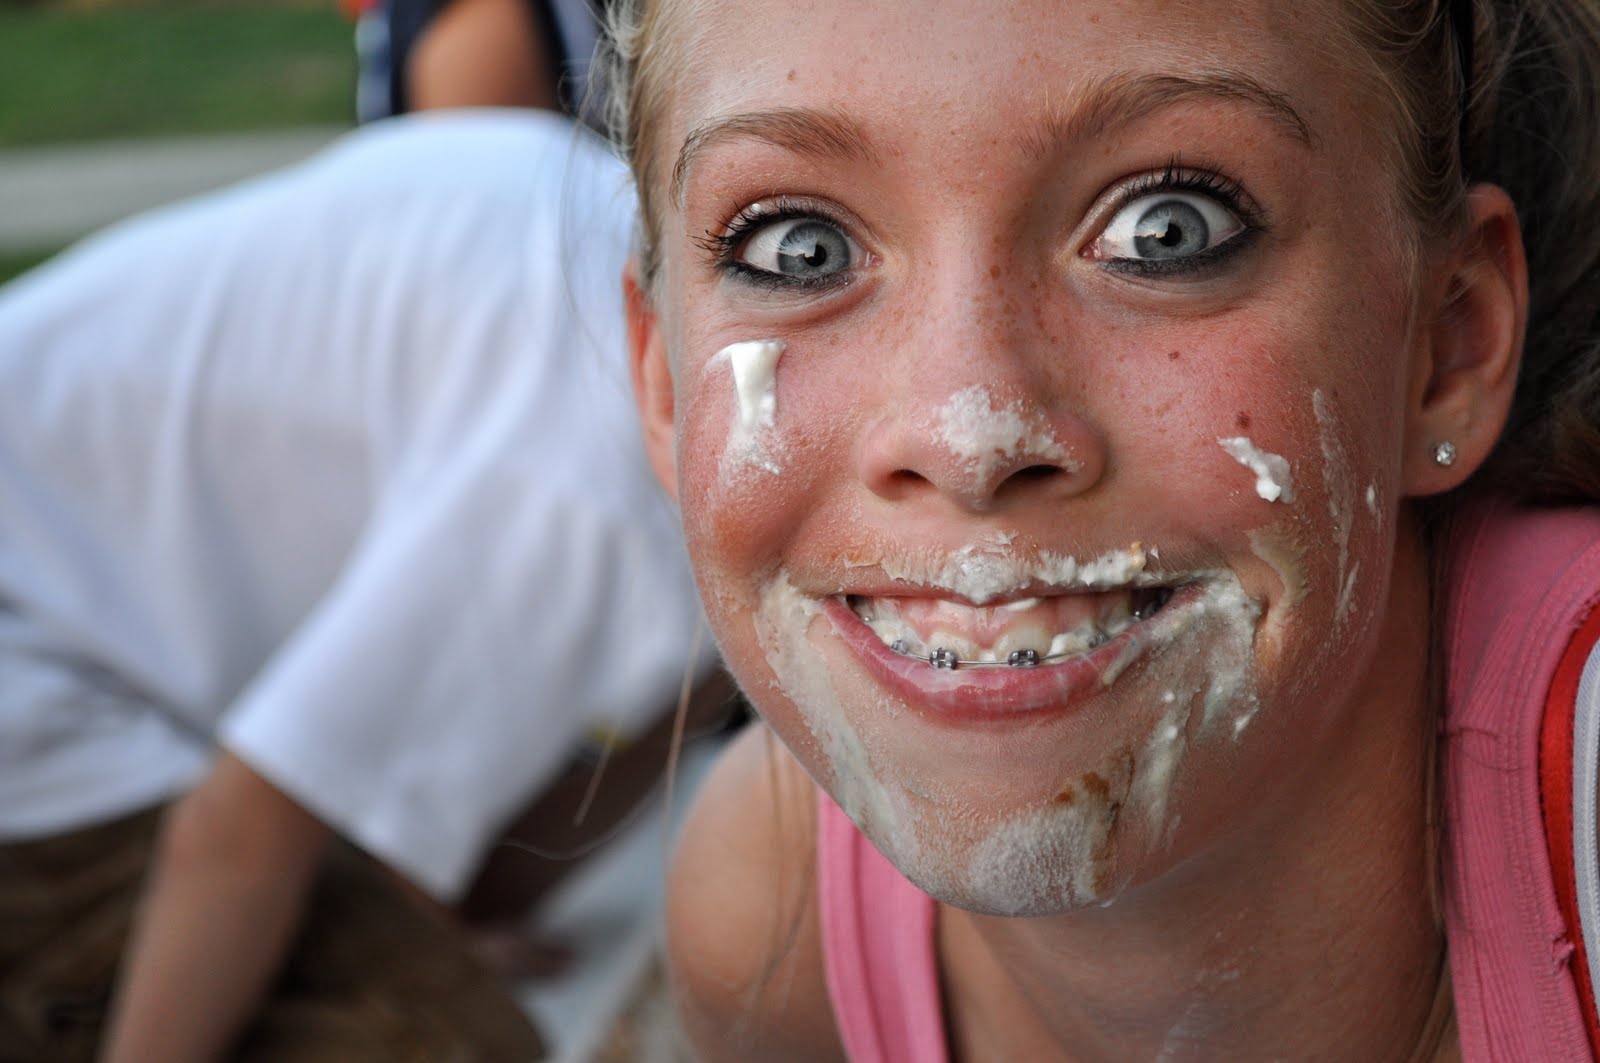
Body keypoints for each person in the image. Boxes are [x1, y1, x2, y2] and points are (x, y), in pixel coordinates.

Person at [604, 0, 1600, 1058]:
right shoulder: (768, 909)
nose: (970, 432)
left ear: (1447, 342)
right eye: (798, 250)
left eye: (1166, 229)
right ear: (662, 381)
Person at [0, 109, 717, 1061]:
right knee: (441, 1044)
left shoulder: (624, 260)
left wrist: (729, 675)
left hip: (97, 631)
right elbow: (242, 829)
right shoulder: (585, 487)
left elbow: (483, 879)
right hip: (34, 673)